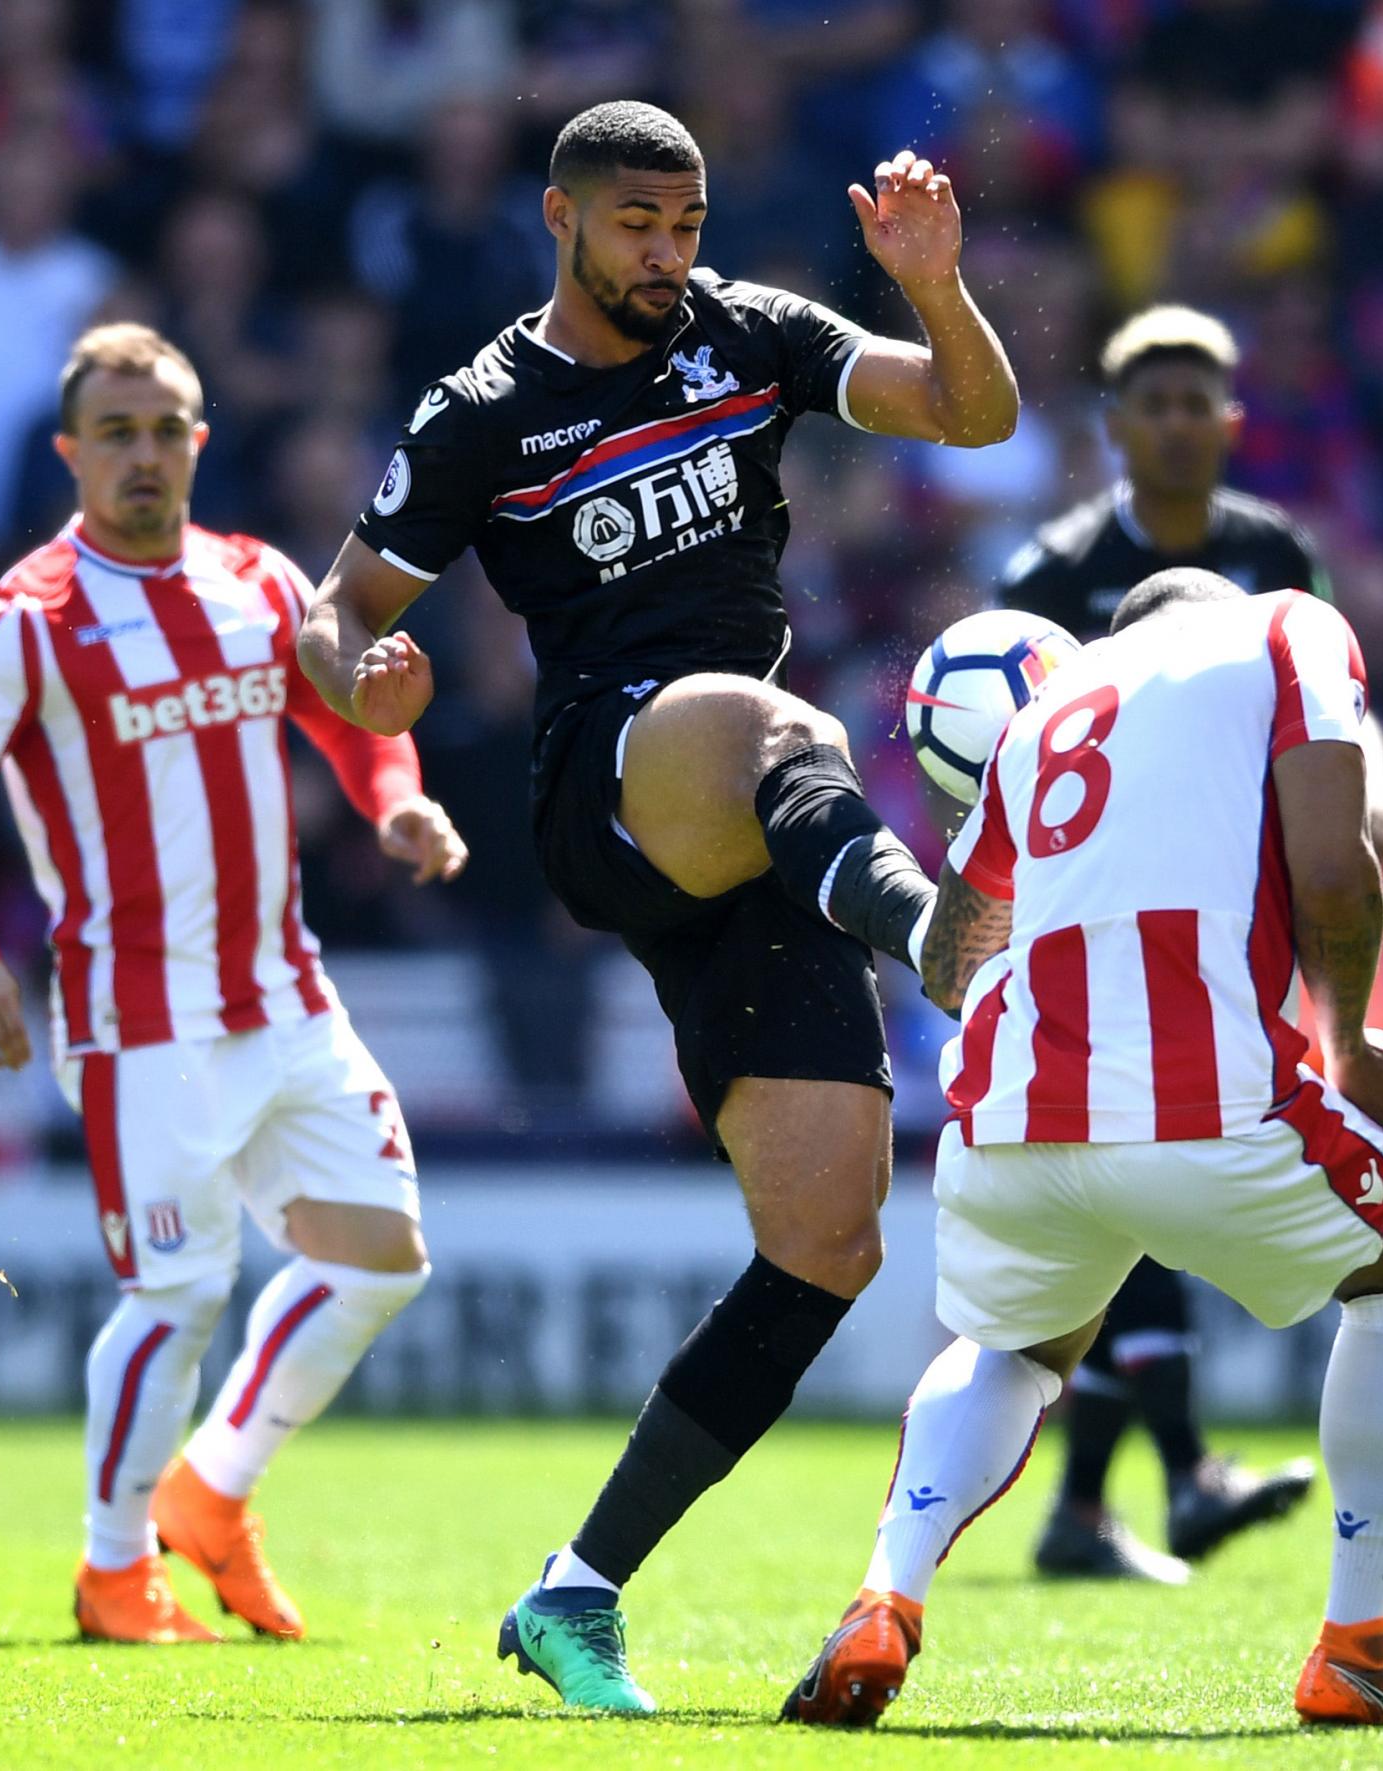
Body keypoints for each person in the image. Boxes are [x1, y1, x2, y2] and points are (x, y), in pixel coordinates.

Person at [298, 101, 1019, 1712]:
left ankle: (575, 1588)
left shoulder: (747, 333)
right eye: (637, 226)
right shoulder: (484, 409)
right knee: (785, 722)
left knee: (828, 1240)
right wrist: (374, 679)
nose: (667, 257)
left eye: (685, 225)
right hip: (610, 783)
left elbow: (970, 415)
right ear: (561, 215)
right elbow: (331, 612)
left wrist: (935, 282)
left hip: (763, 834)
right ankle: (940, 935)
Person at [782, 569, 1383, 1730]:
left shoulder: (1044, 711)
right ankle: (1355, 1647)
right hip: (1206, 1099)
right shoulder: (1284, 627)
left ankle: (885, 1593)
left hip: (1014, 1110)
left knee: (1015, 1346)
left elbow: (949, 962)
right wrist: (1347, 1043)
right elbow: (1337, 868)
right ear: (1215, 606)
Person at [0, 323, 468, 1646]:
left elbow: (348, 717)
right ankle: (110, 1565)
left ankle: (210, 1489)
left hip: (285, 992)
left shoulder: (259, 582)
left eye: (165, 431)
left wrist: (398, 800)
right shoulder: (23, 620)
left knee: (383, 1256)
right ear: (71, 452)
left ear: (198, 443)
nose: (144, 455)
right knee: (179, 1291)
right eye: (117, 433)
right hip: (138, 1019)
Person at [995, 305, 1339, 1582]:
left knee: (1136, 1193)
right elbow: (997, 750)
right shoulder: (1049, 575)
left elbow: (1325, 715)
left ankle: (1087, 1510)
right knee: (1146, 1177)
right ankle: (1179, 1472)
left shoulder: (1275, 552)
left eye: (1204, 403)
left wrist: (1368, 798)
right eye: (1159, 404)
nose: (1183, 424)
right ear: (1118, 426)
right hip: (1101, 925)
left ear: (1233, 421)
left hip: (1237, 915)